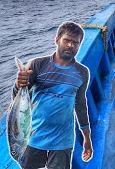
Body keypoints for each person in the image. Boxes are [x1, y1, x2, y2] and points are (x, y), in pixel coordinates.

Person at [13, 21, 93, 168]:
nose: (70, 45)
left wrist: (87, 137)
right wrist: (19, 84)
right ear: (57, 40)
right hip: (33, 137)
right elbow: (18, 98)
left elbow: (80, 105)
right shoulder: (37, 64)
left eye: (75, 43)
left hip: (63, 140)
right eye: (67, 40)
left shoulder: (82, 72)